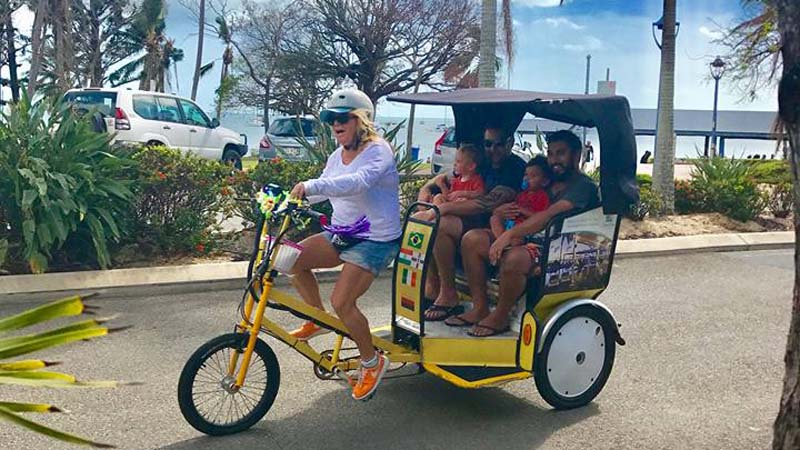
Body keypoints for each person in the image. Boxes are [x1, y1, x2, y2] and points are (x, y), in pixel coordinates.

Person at [288, 88, 401, 401]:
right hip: (342, 232)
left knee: (342, 301)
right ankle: (316, 318)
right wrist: (292, 198)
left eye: (343, 118)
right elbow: (326, 190)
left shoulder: (379, 151)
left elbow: (358, 182)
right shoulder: (337, 155)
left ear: (361, 120)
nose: (336, 124)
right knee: (291, 260)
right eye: (332, 120)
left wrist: (313, 185)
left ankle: (371, 361)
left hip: (374, 239)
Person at [450, 130, 599, 336]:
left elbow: (547, 215)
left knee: (515, 257)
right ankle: (480, 307)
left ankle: (500, 316)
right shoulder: (545, 180)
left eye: (561, 153)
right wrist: (500, 214)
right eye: (551, 154)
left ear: (576, 155)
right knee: (473, 239)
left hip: (558, 249)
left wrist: (507, 237)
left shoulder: (582, 186)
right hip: (524, 237)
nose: (555, 160)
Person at [415, 127, 526, 321]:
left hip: (492, 224)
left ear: (510, 143)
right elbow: (444, 177)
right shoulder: (482, 162)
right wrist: (426, 191)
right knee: (427, 222)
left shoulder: (515, 168)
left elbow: (486, 204)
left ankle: (448, 294)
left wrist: (440, 210)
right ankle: (433, 287)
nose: (493, 149)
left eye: (499, 144)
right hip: (470, 221)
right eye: (488, 144)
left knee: (441, 223)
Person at [489, 155, 551, 249]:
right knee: (494, 219)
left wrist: (522, 210)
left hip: (525, 229)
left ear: (545, 181)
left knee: (517, 240)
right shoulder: (521, 195)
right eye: (526, 175)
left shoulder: (542, 196)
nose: (527, 179)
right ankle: (502, 240)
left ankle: (507, 243)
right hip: (511, 224)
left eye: (533, 176)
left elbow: (540, 217)